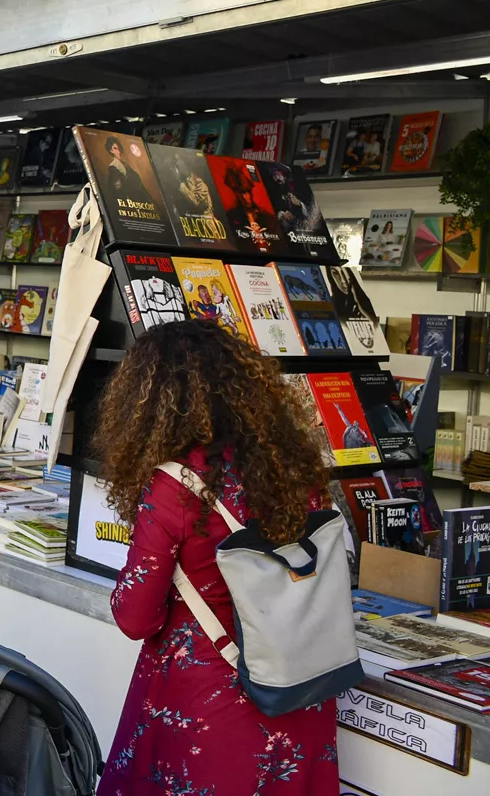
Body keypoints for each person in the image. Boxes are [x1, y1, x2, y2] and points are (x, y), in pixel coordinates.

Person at [92, 320, 337, 796]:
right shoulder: (292, 466)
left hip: (214, 702)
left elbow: (136, 616)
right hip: (300, 688)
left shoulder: (174, 487)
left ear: (151, 402)